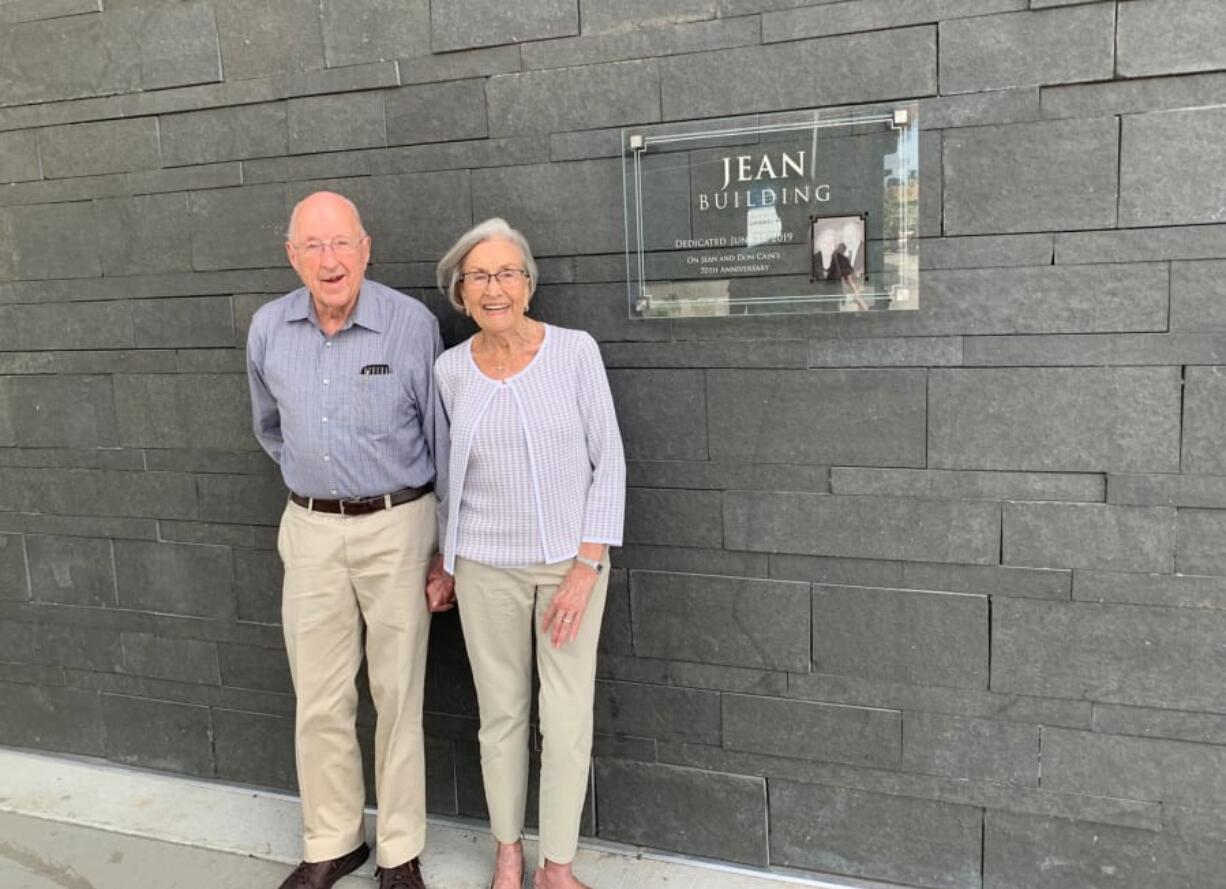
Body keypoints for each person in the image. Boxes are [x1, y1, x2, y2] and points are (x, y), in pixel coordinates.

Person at [246, 191, 454, 889]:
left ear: (366, 249)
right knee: (320, 694)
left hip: (399, 524)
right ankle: (333, 838)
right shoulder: (269, 328)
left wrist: (442, 544)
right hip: (308, 528)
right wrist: (319, 485)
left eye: (342, 244)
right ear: (292, 255)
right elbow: (270, 428)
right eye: (314, 246)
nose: (330, 261)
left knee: (399, 694)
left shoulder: (411, 324)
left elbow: (443, 439)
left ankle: (399, 850)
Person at [433, 218, 625, 889]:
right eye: (479, 276)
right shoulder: (450, 370)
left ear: (527, 283)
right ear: (460, 293)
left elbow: (611, 462)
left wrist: (586, 564)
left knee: (567, 719)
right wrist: (446, 559)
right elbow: (445, 474)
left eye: (507, 272)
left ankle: (558, 865)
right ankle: (508, 852)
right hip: (485, 567)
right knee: (501, 716)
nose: (495, 287)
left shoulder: (574, 352)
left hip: (570, 566)